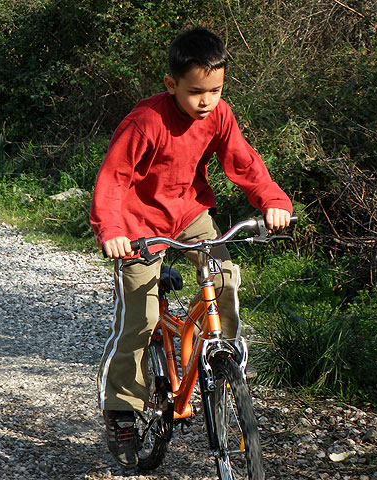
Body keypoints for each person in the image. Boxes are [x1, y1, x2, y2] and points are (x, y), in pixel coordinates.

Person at [89, 26, 293, 468]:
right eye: (196, 92)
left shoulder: (219, 115)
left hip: (191, 215)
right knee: (140, 318)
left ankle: (224, 364)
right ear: (171, 85)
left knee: (224, 280)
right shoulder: (146, 122)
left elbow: (244, 163)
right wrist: (111, 231)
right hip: (139, 224)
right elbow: (113, 181)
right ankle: (122, 409)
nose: (207, 101)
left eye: (216, 90)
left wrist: (273, 201)